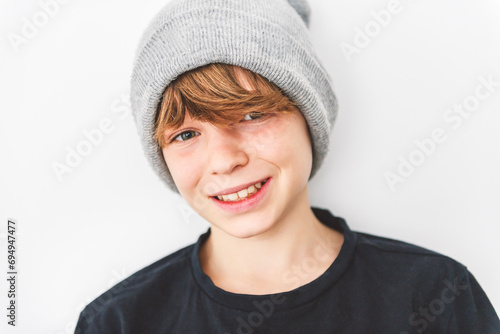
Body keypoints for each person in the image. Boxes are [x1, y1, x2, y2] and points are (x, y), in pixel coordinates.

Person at [75, 0, 500, 333]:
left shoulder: (435, 294)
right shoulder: (118, 322)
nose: (225, 160)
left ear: (310, 119)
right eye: (186, 135)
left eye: (250, 115)